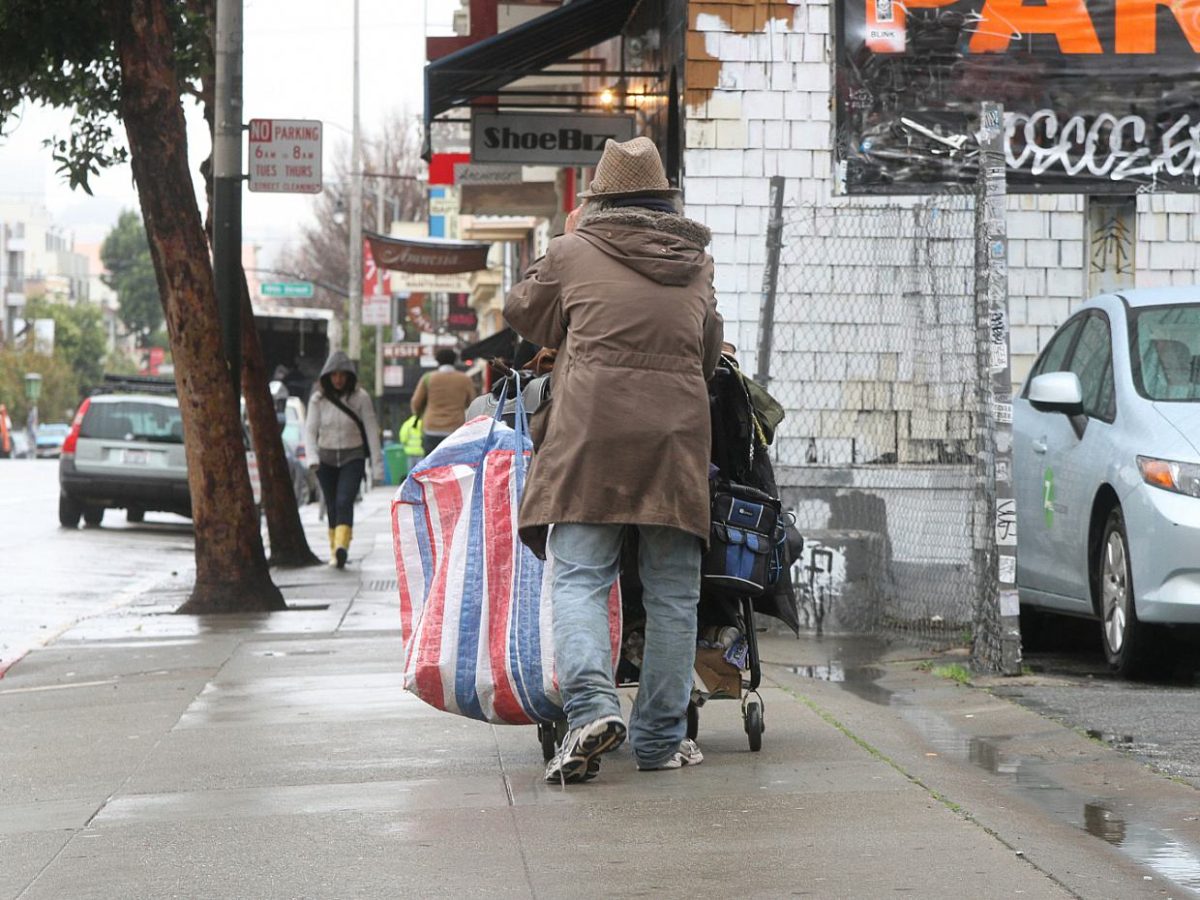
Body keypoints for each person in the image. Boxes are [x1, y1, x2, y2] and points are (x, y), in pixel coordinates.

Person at [504, 136, 723, 783]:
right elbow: (707, 353)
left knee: (578, 580)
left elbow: (525, 315)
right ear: (664, 199)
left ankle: (593, 709)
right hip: (676, 440)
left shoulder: (574, 252)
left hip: (590, 436)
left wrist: (569, 246)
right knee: (675, 596)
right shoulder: (697, 262)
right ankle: (659, 742)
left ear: (598, 201)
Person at [305, 351, 383, 568]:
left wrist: (377, 469)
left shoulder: (361, 398)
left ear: (349, 376)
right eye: (334, 375)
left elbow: (370, 431)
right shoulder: (317, 400)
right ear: (327, 376)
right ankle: (334, 550)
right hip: (325, 459)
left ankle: (342, 547)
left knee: (344, 500)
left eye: (342, 375)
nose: (338, 379)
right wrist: (312, 457)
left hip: (353, 456)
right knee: (331, 504)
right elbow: (310, 431)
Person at [410, 347, 476, 455]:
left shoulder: (428, 378)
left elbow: (416, 403)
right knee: (454, 467)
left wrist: (419, 413)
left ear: (437, 361)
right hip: (455, 430)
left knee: (431, 467)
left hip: (431, 429)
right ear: (454, 361)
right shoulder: (465, 380)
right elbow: (472, 403)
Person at [398, 406, 424, 476]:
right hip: (421, 451)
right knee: (421, 472)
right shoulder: (423, 422)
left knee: (411, 472)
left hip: (410, 452)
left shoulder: (407, 424)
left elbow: (403, 438)